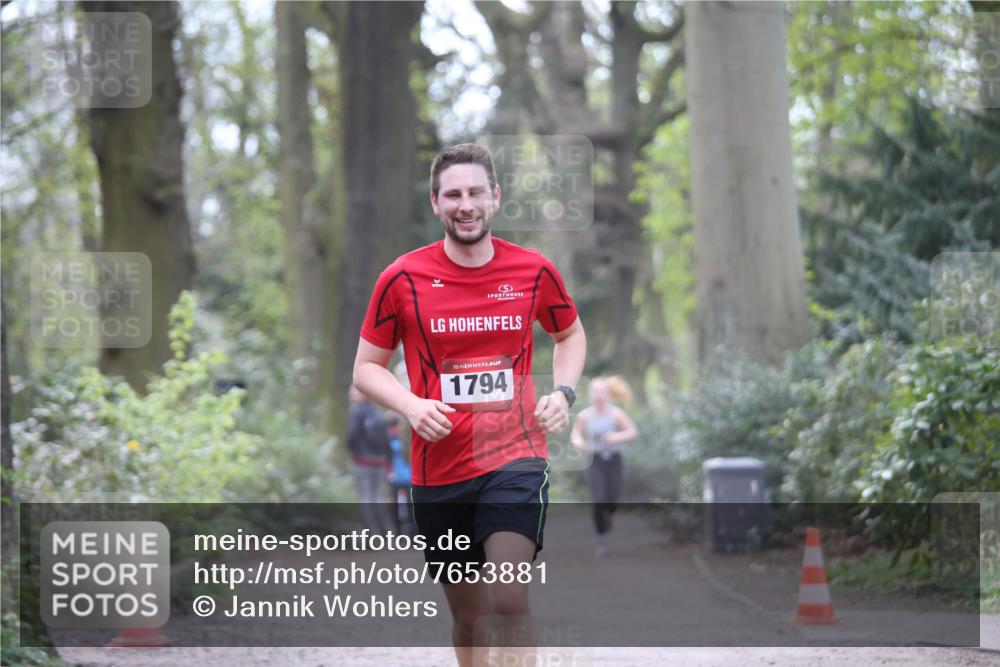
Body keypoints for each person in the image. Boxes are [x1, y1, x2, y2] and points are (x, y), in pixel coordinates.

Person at [353, 143, 586, 667]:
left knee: (508, 598)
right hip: (439, 470)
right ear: (435, 203)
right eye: (453, 194)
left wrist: (563, 392)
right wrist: (412, 406)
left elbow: (569, 334)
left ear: (495, 197)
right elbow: (366, 368)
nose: (466, 205)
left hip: (515, 456)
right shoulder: (401, 279)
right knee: (469, 618)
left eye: (476, 192)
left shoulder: (532, 270)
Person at [570, 376, 638, 557]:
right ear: (590, 394)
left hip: (614, 460)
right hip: (595, 461)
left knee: (612, 500)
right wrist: (579, 443)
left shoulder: (616, 414)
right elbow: (576, 435)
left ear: (608, 394)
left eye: (602, 392)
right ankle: (602, 541)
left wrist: (616, 437)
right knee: (598, 499)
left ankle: (609, 514)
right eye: (595, 392)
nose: (599, 395)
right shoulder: (585, 416)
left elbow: (632, 431)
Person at [346, 384, 393, 535]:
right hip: (379, 461)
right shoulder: (376, 411)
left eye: (354, 391)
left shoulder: (356, 411)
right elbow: (386, 440)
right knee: (378, 497)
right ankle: (386, 533)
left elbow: (351, 436)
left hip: (362, 462)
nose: (351, 394)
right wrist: (388, 461)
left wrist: (352, 451)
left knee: (365, 497)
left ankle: (371, 535)